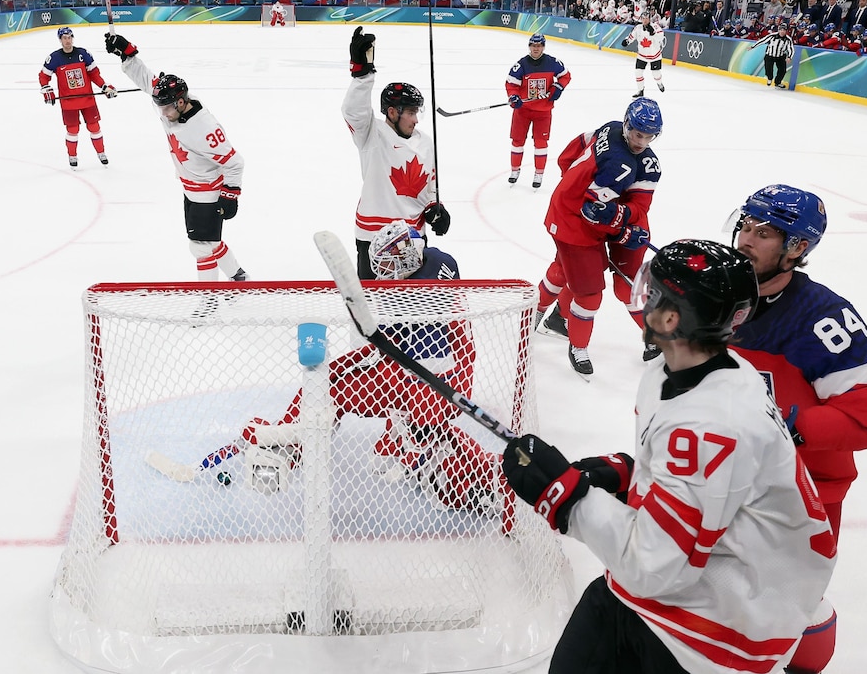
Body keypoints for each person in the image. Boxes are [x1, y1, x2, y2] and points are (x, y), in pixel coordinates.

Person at [501, 239, 837, 674]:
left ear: (674, 317)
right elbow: (706, 484)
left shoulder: (714, 424)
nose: (643, 298)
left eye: (653, 292)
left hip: (716, 632)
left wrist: (569, 503)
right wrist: (630, 473)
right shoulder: (690, 371)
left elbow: (655, 567)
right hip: (684, 586)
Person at [728, 185, 867, 674]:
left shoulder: (823, 319)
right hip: (725, 482)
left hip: (802, 497)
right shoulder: (719, 293)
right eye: (745, 225)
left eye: (765, 232)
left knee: (792, 611)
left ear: (797, 248)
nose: (745, 240)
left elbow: (865, 420)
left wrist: (785, 426)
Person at [242, 220, 500, 514]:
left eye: (390, 266)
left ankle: (297, 440)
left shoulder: (410, 298)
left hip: (429, 383)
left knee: (338, 388)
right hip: (446, 371)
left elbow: (386, 343)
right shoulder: (441, 260)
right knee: (339, 381)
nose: (383, 274)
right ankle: (301, 437)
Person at [535, 98, 664, 378]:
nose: (642, 141)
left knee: (623, 285)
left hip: (603, 217)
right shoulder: (619, 164)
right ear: (628, 125)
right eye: (637, 133)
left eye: (649, 136)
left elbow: (577, 146)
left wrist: (569, 176)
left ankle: (552, 317)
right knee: (589, 291)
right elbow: (591, 212)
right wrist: (622, 230)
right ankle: (573, 341)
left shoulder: (613, 129)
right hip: (574, 221)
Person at [104, 32, 248, 282]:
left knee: (200, 247)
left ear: (181, 102)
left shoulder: (204, 128)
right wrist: (128, 54)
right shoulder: (169, 104)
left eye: (166, 108)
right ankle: (239, 277)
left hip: (208, 192)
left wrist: (230, 195)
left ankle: (208, 303)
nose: (162, 112)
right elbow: (147, 80)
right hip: (191, 189)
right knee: (210, 242)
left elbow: (235, 163)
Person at [342, 26, 449, 280]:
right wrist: (362, 75)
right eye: (410, 112)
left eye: (416, 112)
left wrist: (437, 208)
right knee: (372, 308)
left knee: (410, 309)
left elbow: (430, 185)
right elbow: (354, 111)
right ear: (392, 112)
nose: (415, 119)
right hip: (373, 237)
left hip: (413, 239)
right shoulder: (372, 135)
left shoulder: (425, 143)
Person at [39, 26, 116, 169]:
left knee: (94, 127)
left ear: (72, 38)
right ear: (60, 40)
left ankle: (101, 152)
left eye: (69, 38)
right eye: (64, 38)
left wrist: (104, 86)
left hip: (87, 99)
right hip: (68, 102)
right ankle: (72, 155)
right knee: (72, 130)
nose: (67, 41)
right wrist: (46, 88)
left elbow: (94, 74)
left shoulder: (83, 54)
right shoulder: (54, 58)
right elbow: (44, 76)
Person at [505, 33, 571, 188]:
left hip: (543, 111)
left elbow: (565, 76)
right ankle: (515, 171)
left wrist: (558, 86)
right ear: (529, 47)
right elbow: (511, 84)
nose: (536, 49)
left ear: (543, 47)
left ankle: (538, 174)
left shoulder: (553, 63)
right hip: (523, 111)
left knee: (541, 142)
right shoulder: (521, 65)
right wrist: (514, 97)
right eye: (533, 46)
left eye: (539, 46)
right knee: (517, 141)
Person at [620, 12, 665, 98]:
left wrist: (653, 33)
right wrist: (627, 41)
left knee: (656, 74)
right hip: (642, 55)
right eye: (643, 18)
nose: (645, 20)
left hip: (654, 56)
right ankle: (640, 90)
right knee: (638, 72)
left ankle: (659, 83)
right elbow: (631, 37)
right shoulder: (638, 28)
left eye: (647, 18)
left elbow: (661, 38)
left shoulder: (655, 27)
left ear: (649, 19)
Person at [747, 23, 795, 87]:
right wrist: (753, 46)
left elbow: (791, 48)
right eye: (781, 30)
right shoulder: (772, 36)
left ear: (786, 31)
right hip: (770, 55)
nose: (782, 32)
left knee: (782, 70)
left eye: (784, 30)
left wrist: (789, 57)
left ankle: (777, 82)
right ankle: (770, 78)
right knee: (768, 69)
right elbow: (762, 41)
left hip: (780, 56)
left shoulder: (788, 39)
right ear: (778, 30)